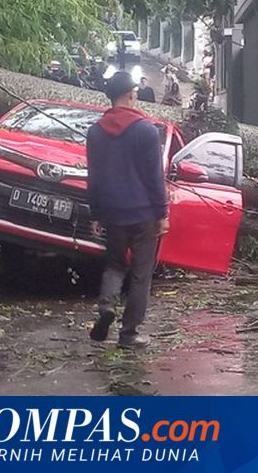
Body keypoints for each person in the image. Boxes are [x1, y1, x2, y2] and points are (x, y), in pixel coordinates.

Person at [86, 71, 169, 349]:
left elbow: (93, 176)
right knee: (141, 274)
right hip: (143, 213)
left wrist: (95, 213)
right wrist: (163, 213)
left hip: (112, 212)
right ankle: (129, 333)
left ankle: (106, 307)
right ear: (131, 94)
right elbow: (154, 177)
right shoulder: (146, 130)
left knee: (114, 265)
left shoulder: (95, 132)